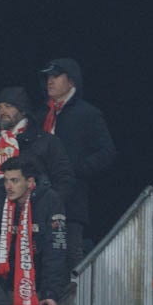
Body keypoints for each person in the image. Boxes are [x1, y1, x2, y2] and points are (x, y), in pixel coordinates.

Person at [40, 58, 117, 264]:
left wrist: (74, 169)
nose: (50, 81)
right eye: (48, 76)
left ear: (71, 81)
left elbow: (107, 153)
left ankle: (77, 296)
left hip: (71, 200)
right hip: (40, 197)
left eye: (56, 76)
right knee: (43, 255)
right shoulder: (43, 114)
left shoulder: (87, 114)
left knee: (72, 254)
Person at [0, 156, 69, 305]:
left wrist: (49, 292)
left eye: (15, 181)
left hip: (37, 288)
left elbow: (55, 250)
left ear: (30, 182)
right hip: (5, 286)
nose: (8, 187)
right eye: (6, 181)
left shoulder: (50, 200)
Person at [0, 87, 75, 200]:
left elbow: (64, 179)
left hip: (33, 213)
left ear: (23, 110)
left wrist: (46, 207)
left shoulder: (45, 141)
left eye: (8, 106)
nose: (2, 112)